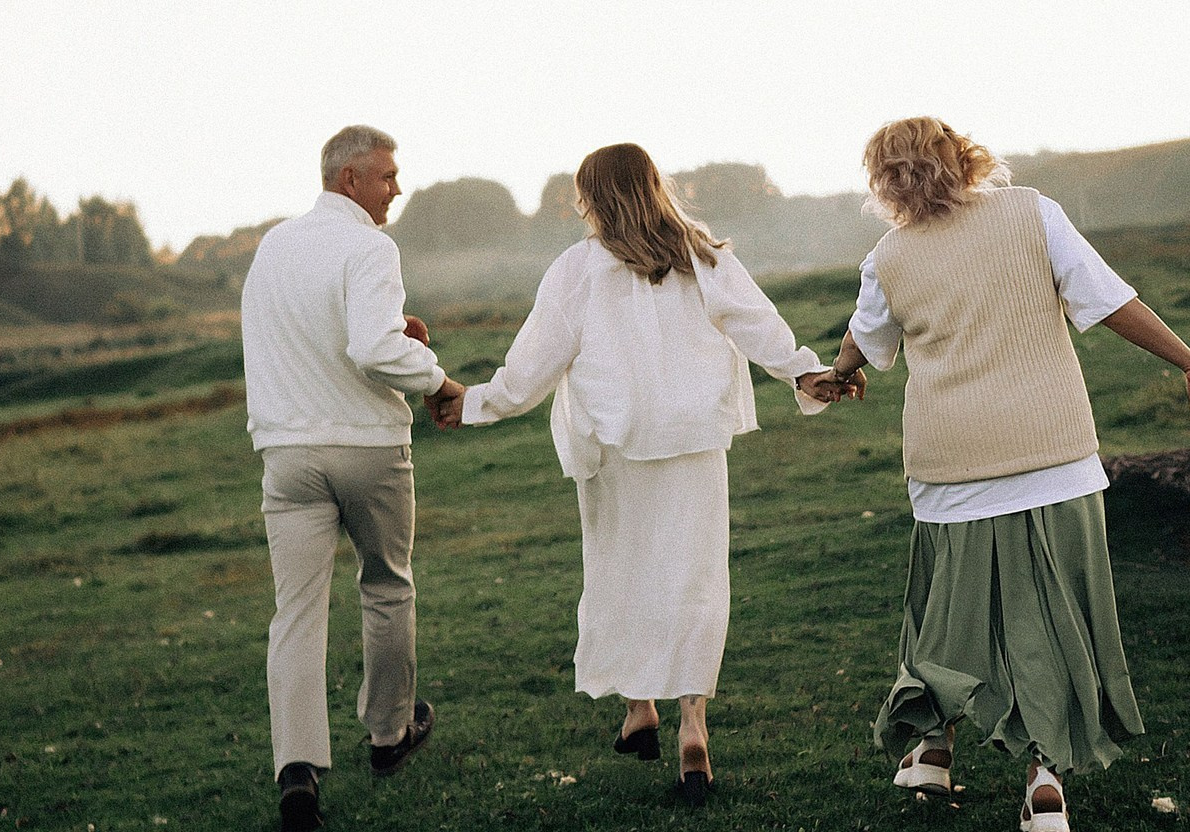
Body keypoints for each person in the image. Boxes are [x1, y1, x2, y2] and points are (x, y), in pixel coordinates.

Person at [822, 117, 1190, 832]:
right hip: (1052, 455)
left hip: (950, 465)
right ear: (961, 156)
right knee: (1055, 613)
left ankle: (932, 747)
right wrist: (1188, 362)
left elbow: (865, 334)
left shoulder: (888, 257)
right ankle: (1044, 780)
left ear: (884, 182)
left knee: (948, 612)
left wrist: (840, 372)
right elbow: (1110, 301)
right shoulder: (1032, 211)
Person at [435, 143, 843, 806]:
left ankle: (639, 708)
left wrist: (473, 401)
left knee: (622, 577)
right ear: (655, 186)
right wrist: (804, 372)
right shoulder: (703, 255)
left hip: (617, 446)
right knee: (694, 579)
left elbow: (532, 365)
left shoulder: (576, 270)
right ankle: (691, 728)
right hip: (693, 441)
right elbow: (757, 324)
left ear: (591, 199)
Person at [241, 125, 465, 832]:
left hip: (287, 454)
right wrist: (435, 377)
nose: (397, 187)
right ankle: (389, 735)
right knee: (387, 584)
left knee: (296, 611)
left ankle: (297, 768)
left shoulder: (275, 245)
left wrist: (395, 330)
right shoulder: (371, 245)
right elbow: (370, 349)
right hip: (366, 444)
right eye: (387, 175)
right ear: (349, 180)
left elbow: (305, 332)